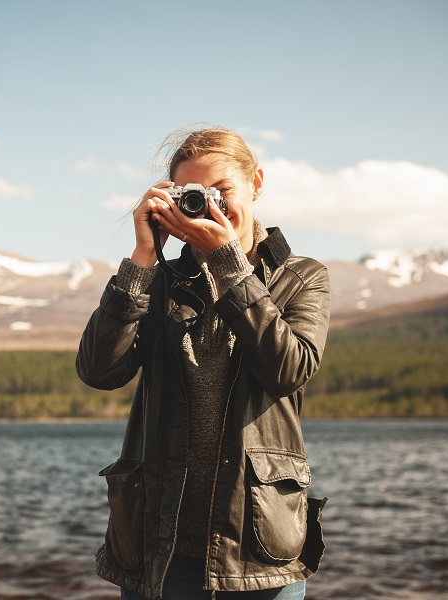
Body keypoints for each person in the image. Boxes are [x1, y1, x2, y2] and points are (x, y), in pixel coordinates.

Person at [76, 126, 330, 600]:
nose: (210, 205)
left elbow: (289, 369)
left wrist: (228, 264)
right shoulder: (160, 282)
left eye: (222, 191)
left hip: (257, 548)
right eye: (194, 195)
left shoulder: (302, 278)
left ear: (257, 183)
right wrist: (142, 259)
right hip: (160, 544)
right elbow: (98, 370)